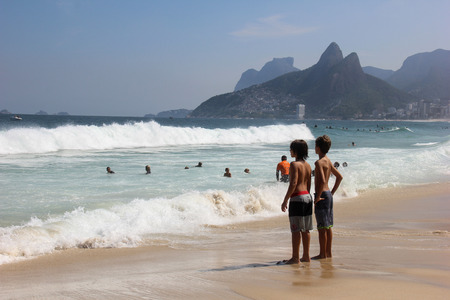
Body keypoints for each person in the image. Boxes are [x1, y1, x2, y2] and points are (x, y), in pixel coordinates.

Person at [280, 140, 313, 264]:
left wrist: (285, 200)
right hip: (307, 197)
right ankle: (306, 256)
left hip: (297, 198)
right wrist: (307, 196)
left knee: (295, 230)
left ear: (296, 151)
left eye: (291, 149)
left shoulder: (294, 165)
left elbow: (293, 183)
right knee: (306, 229)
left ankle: (295, 258)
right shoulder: (308, 165)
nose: (290, 151)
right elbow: (309, 184)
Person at [312, 135, 343, 260]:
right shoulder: (328, 160)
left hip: (322, 195)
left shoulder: (319, 162)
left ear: (318, 148)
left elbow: (323, 180)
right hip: (328, 194)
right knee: (328, 226)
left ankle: (322, 253)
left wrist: (318, 197)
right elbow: (339, 177)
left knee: (321, 227)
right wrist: (333, 192)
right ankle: (328, 253)